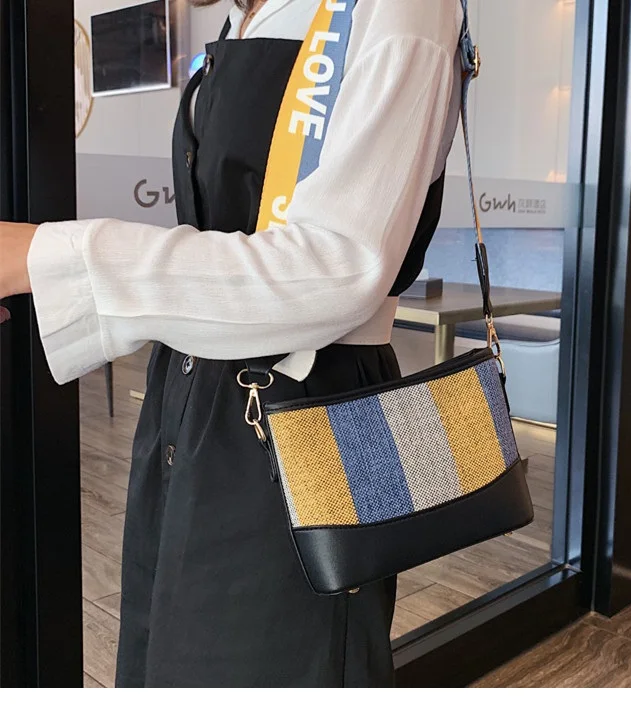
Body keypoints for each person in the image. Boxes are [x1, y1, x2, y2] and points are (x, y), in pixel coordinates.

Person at [0, 0, 463, 688]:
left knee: (276, 664)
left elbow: (339, 269)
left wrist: (43, 256)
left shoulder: (397, 9)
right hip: (189, 404)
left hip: (318, 416)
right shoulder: (246, 17)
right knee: (167, 655)